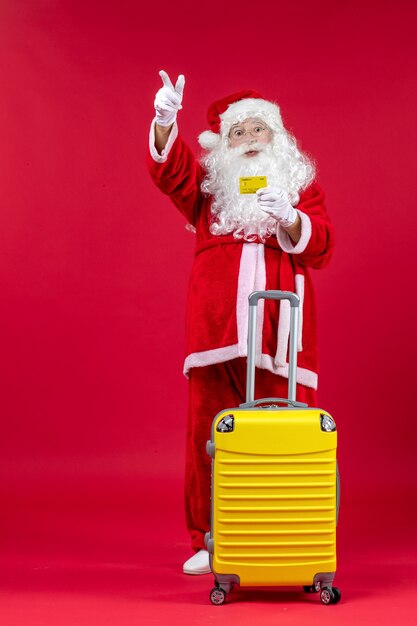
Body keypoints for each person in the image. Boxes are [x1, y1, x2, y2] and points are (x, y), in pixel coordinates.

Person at [147, 70, 334, 575]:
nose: (249, 139)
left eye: (259, 129)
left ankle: (288, 531)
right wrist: (166, 123)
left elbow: (322, 248)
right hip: (216, 333)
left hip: (282, 331)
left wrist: (291, 219)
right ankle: (210, 540)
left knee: (286, 432)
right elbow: (172, 173)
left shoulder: (299, 186)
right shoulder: (209, 194)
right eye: (238, 132)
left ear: (279, 139)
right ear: (223, 146)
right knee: (207, 434)